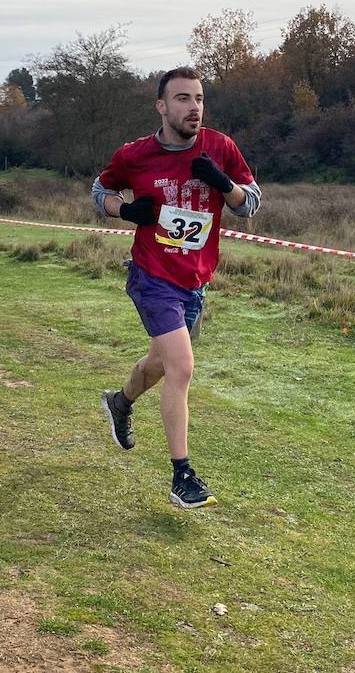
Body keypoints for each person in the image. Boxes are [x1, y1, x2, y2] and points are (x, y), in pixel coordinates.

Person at [91, 66, 261, 509]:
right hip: (152, 277)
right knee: (182, 367)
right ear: (162, 107)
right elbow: (99, 190)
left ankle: (120, 402)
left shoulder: (220, 147)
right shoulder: (136, 155)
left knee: (161, 364)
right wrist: (126, 212)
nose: (194, 108)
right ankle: (182, 475)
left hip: (195, 281)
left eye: (200, 98)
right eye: (183, 99)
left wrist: (225, 186)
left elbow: (252, 203)